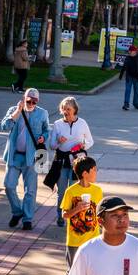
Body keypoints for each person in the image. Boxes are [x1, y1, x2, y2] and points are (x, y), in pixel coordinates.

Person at [1, 88, 51, 230]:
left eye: (35, 101)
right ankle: (17, 212)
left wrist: (44, 137)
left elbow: (47, 130)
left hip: (32, 157)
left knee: (30, 190)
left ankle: (27, 219)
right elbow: (4, 126)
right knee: (9, 185)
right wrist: (18, 111)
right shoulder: (13, 110)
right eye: (29, 100)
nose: (31, 103)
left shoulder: (42, 113)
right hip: (14, 156)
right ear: (24, 98)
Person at [47, 97, 95, 227]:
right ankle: (61, 215)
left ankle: (75, 216)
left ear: (75, 110)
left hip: (77, 162)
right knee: (62, 191)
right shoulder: (57, 124)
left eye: (68, 109)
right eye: (63, 109)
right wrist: (58, 142)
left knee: (75, 190)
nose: (65, 111)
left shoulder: (82, 123)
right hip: (61, 161)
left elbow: (90, 141)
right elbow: (51, 146)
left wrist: (83, 145)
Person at [60, 154, 104, 270]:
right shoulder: (70, 191)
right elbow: (64, 215)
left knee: (93, 271)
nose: (96, 172)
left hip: (93, 240)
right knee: (73, 271)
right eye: (94, 170)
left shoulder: (98, 191)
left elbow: (100, 214)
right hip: (75, 241)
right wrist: (76, 209)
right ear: (85, 174)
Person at [119, 43, 138, 110]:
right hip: (129, 76)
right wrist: (120, 76)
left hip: (137, 77)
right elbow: (124, 67)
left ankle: (135, 103)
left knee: (136, 90)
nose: (130, 53)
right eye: (129, 52)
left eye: (131, 52)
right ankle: (126, 104)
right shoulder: (128, 58)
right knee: (127, 90)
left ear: (135, 52)